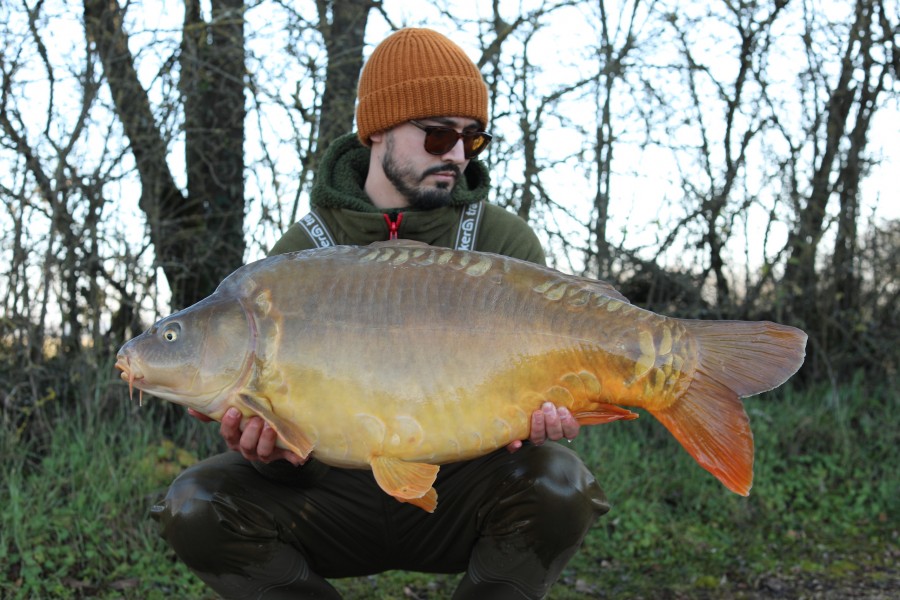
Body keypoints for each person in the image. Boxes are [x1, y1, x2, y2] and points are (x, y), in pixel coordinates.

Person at [152, 28, 609, 599]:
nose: (457, 154)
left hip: (459, 493)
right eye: (439, 134)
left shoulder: (500, 241)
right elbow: (291, 458)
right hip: (334, 499)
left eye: (473, 139)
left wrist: (546, 422)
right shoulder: (297, 260)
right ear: (377, 130)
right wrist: (268, 453)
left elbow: (530, 418)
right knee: (196, 502)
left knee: (559, 481)